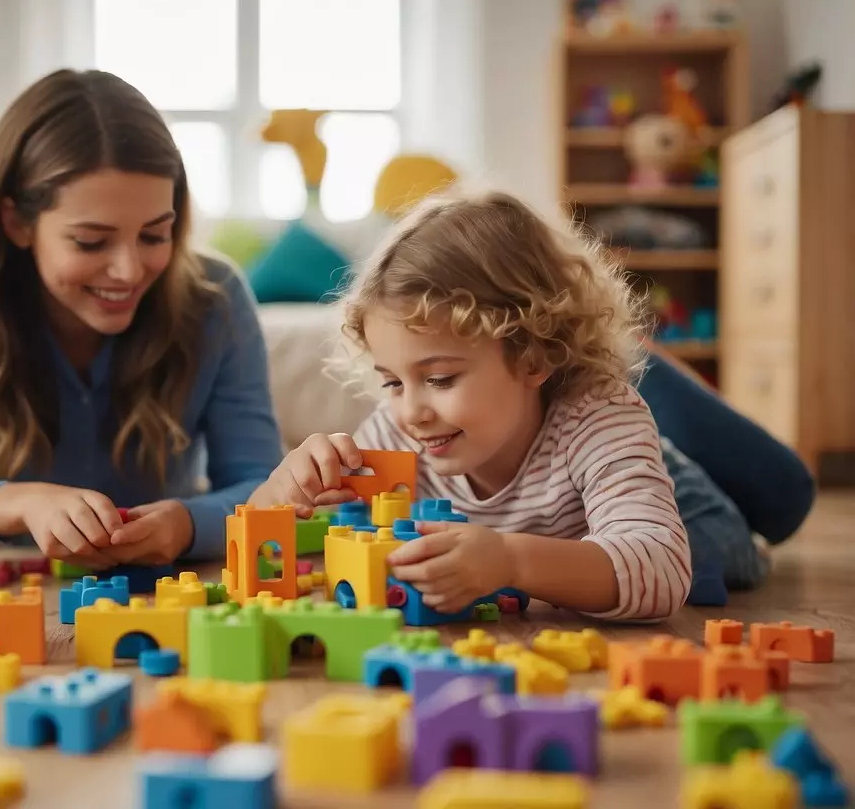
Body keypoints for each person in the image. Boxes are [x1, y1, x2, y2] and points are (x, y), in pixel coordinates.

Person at [250, 189, 813, 621]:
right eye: (393, 382)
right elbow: (263, 540)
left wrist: (512, 562)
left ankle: (642, 376)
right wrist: (282, 490)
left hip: (665, 496)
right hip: (579, 503)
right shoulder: (401, 433)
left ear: (533, 355)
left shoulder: (597, 420)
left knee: (726, 560)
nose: (411, 411)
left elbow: (661, 569)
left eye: (440, 378)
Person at [0, 69, 283, 568]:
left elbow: (266, 490)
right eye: (91, 241)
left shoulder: (217, 298)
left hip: (168, 587)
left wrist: (188, 525)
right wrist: (19, 503)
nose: (129, 270)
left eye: (154, 235)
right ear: (17, 222)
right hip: (13, 584)